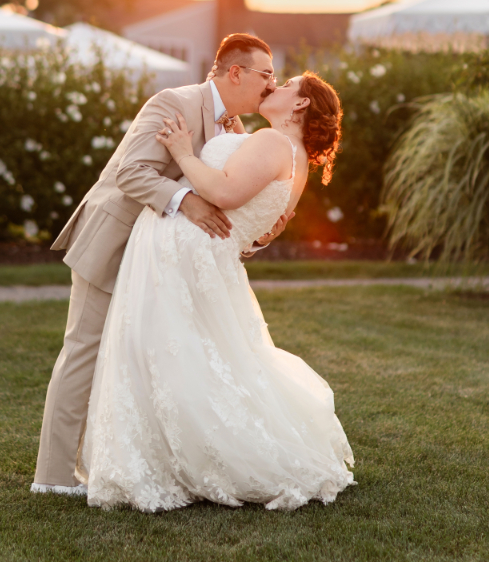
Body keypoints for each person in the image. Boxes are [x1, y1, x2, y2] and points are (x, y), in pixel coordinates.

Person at [77, 69, 354, 512]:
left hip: (183, 248)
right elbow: (258, 222)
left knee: (162, 351)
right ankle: (181, 451)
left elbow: (222, 191)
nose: (274, 86)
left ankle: (179, 458)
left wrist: (183, 153)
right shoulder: (295, 157)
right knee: (199, 355)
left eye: (285, 86)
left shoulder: (272, 142)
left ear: (300, 104)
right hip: (208, 257)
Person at [32, 33, 293, 495]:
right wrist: (187, 202)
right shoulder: (174, 101)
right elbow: (131, 171)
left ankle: (141, 463)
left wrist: (254, 231)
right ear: (235, 72)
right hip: (113, 243)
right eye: (266, 74)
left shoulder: (236, 130)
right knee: (83, 353)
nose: (272, 85)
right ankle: (51, 477)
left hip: (158, 265)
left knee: (140, 359)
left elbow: (226, 196)